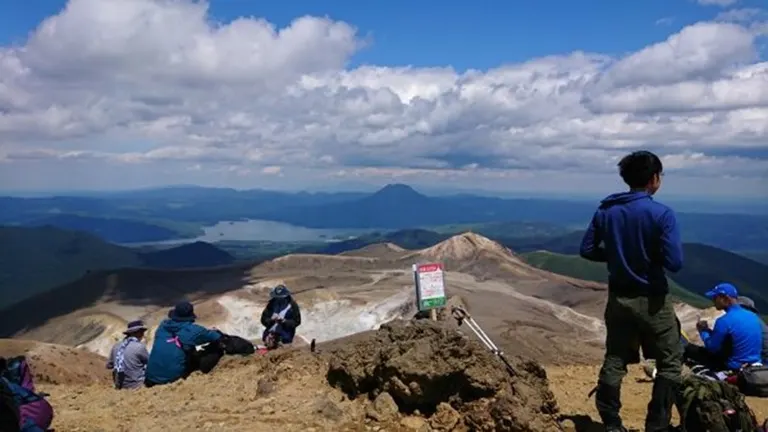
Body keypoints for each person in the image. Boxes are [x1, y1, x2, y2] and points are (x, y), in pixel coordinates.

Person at [579, 150, 684, 432]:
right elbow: (675, 262)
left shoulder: (606, 210)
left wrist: (616, 256)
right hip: (653, 300)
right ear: (654, 179)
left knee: (615, 357)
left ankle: (612, 423)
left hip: (619, 298)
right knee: (671, 363)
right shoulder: (662, 214)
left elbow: (587, 250)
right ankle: (657, 426)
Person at [686, 283, 763, 373]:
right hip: (754, 364)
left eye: (715, 298)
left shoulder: (724, 321)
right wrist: (708, 331)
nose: (713, 301)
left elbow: (712, 347)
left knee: (688, 349)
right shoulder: (753, 316)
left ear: (725, 298)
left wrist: (703, 331)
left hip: (733, 366)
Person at [144, 301, 223, 387]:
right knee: (216, 350)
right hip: (172, 378)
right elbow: (216, 337)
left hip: (150, 377)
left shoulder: (163, 326)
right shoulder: (193, 330)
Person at [106, 320, 149, 390]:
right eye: (142, 332)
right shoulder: (139, 347)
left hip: (119, 385)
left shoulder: (116, 346)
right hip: (136, 385)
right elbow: (150, 363)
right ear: (137, 333)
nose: (143, 335)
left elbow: (109, 366)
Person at [260, 285, 301, 349]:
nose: (279, 300)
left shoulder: (292, 306)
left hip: (285, 336)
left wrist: (284, 321)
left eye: (281, 298)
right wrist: (271, 320)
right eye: (277, 298)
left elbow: (297, 321)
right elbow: (263, 319)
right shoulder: (271, 304)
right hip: (270, 334)